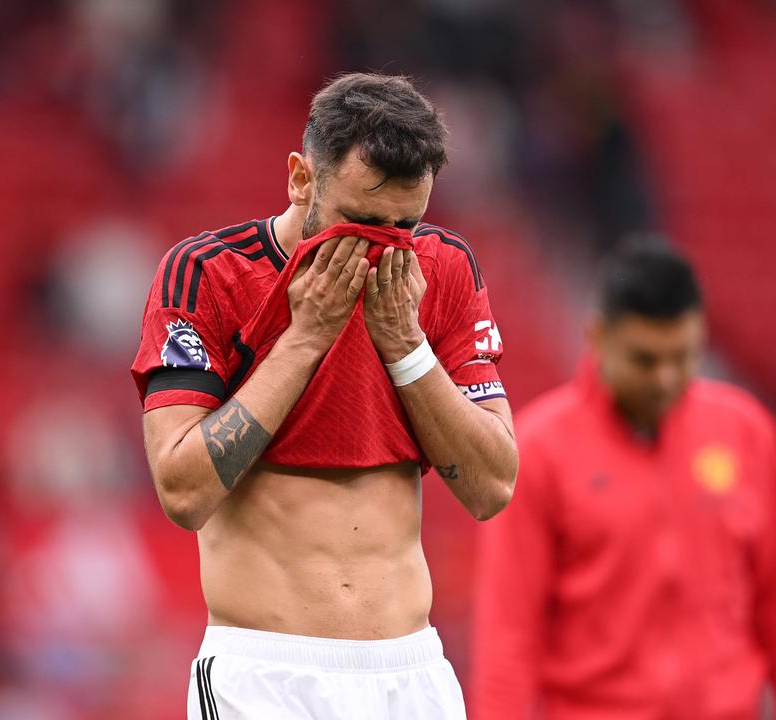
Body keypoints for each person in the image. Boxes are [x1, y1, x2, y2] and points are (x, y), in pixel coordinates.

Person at [130, 73, 518, 719]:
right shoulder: (208, 273)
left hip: (411, 675)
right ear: (301, 179)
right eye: (361, 222)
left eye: (405, 224)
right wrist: (305, 337)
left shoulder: (442, 268)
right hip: (267, 677)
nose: (381, 249)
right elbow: (184, 491)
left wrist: (404, 344)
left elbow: (492, 487)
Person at [471, 244, 776, 719]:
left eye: (683, 357)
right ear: (598, 336)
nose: (665, 378)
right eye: (645, 359)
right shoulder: (539, 451)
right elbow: (509, 639)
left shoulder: (749, 435)